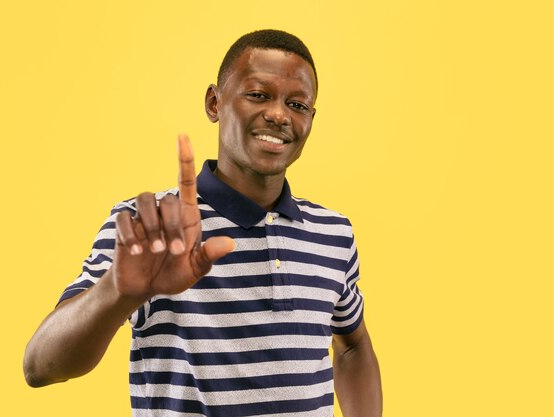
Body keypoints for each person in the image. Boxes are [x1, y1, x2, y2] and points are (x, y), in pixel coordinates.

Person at [24, 29, 382, 417]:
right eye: (259, 95)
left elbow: (353, 346)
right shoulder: (150, 228)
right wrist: (119, 292)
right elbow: (40, 366)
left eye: (297, 104)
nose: (279, 115)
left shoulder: (333, 233)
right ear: (215, 102)